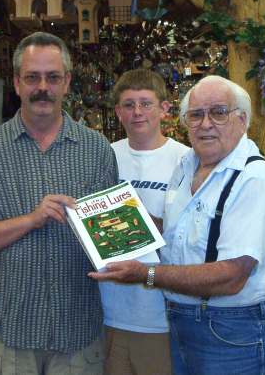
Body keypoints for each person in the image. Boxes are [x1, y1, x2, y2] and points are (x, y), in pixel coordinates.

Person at [90, 75, 265, 374]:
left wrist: (145, 274)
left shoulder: (254, 180)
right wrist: (100, 215)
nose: (206, 123)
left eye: (219, 112)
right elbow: (177, 231)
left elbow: (231, 276)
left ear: (242, 119)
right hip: (187, 322)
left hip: (238, 333)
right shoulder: (188, 167)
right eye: (196, 115)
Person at [0, 31, 118, 375]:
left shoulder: (97, 149)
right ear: (16, 83)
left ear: (67, 82)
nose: (42, 87)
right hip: (8, 334)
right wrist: (31, 219)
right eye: (32, 77)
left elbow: (111, 238)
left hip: (78, 332)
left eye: (52, 77)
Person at [101, 69, 189, 375]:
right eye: (128, 104)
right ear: (117, 112)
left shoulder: (187, 160)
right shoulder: (104, 156)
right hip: (108, 306)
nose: (137, 112)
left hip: (161, 310)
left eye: (145, 103)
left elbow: (191, 236)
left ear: (165, 109)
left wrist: (138, 220)